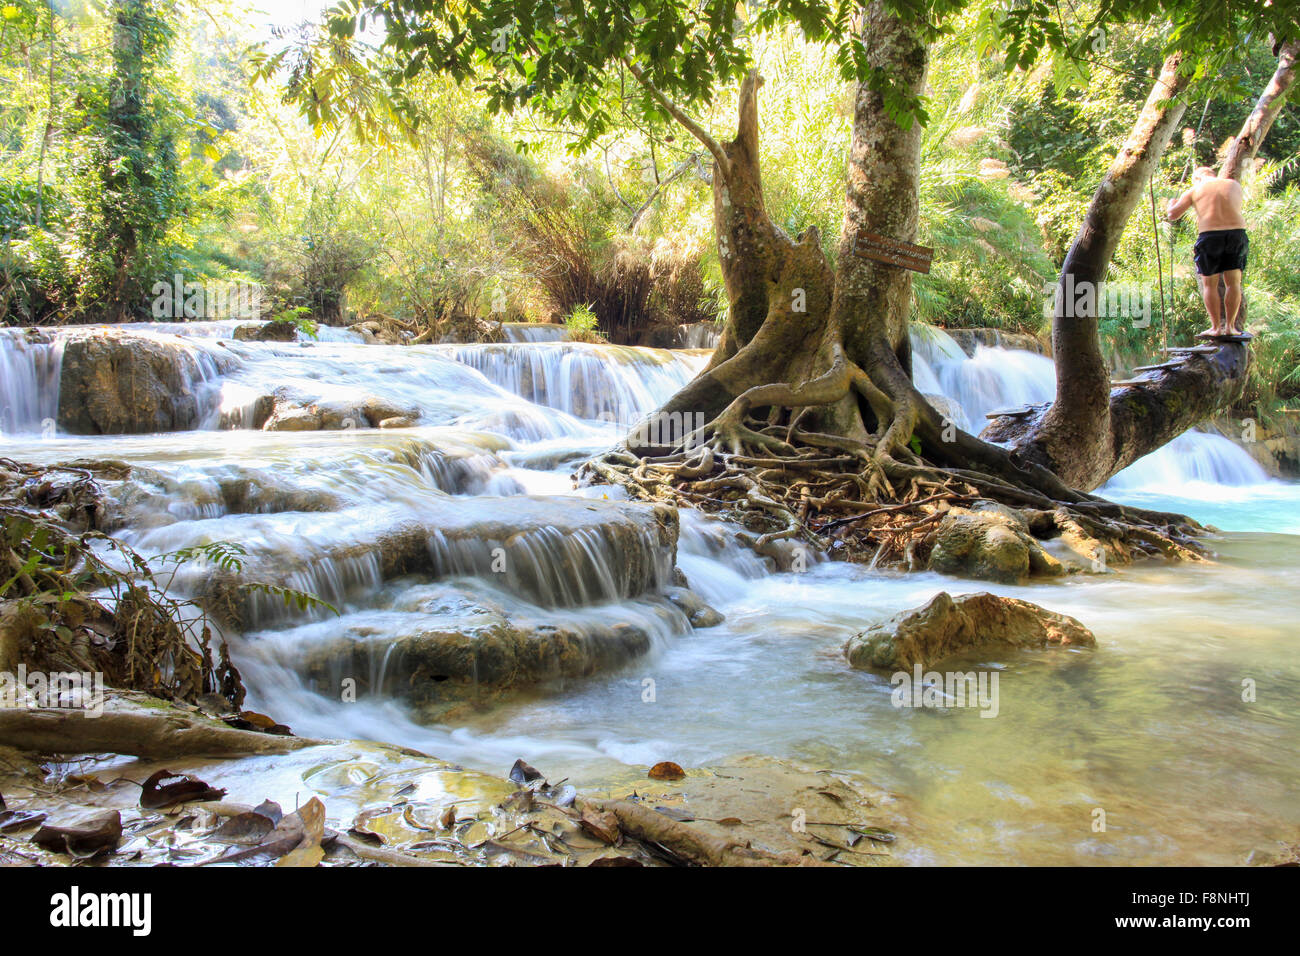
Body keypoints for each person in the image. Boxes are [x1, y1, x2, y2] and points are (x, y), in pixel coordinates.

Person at [1165, 166, 1249, 337]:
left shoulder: (1195, 189)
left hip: (1210, 236)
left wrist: (1171, 204)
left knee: (1209, 284)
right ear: (1213, 175)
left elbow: (1173, 215)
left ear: (1197, 178)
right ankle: (1231, 328)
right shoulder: (1233, 184)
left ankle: (1216, 328)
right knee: (1234, 283)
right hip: (1236, 234)